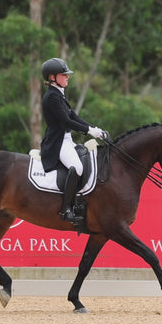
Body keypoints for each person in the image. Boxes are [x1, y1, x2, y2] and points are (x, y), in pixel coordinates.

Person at [40, 57, 107, 224]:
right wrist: (89, 131)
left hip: (67, 139)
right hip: (57, 142)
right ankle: (66, 209)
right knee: (76, 167)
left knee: (85, 161)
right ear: (52, 77)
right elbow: (66, 122)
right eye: (64, 74)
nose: (68, 77)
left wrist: (95, 130)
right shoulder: (52, 97)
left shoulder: (59, 95)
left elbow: (75, 117)